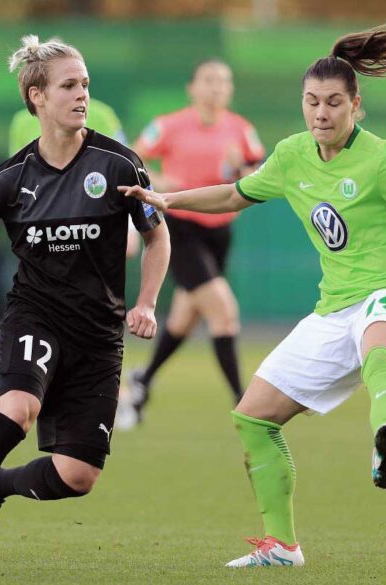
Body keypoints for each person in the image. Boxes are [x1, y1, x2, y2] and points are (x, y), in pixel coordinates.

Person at [120, 20, 386, 567]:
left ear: (356, 106)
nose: (321, 113)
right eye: (312, 101)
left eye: (333, 103)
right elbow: (232, 195)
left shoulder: (384, 160)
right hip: (331, 310)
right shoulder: (292, 156)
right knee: (251, 416)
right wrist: (165, 198)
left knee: (379, 352)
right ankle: (282, 547)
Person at [0, 35, 170, 549]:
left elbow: (157, 235)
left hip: (99, 335)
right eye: (69, 85)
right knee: (16, 408)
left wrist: (145, 302)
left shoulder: (119, 164)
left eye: (85, 85)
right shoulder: (10, 177)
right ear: (37, 97)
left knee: (78, 476)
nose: (82, 95)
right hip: (36, 317)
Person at [116, 59, 265, 430]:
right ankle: (244, 404)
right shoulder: (168, 125)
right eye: (209, 80)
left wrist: (240, 171)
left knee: (186, 314)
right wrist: (160, 180)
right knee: (224, 311)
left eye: (223, 81)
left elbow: (259, 173)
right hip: (180, 228)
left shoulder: (241, 129)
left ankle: (143, 381)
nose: (216, 87)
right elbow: (131, 160)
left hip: (220, 232)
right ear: (192, 87)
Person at [9, 99, 140, 258]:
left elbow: (126, 166)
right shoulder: (22, 121)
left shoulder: (102, 114)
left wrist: (129, 222)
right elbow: (20, 176)